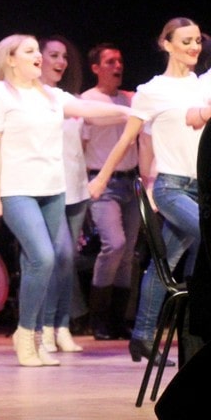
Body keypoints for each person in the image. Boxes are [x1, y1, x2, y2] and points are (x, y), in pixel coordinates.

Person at [0, 34, 139, 367]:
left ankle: (38, 335)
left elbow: (87, 109)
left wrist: (127, 112)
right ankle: (25, 334)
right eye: (29, 51)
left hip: (53, 189)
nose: (38, 56)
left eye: (38, 50)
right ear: (10, 60)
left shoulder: (50, 95)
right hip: (16, 190)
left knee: (39, 263)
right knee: (43, 257)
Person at [89, 18, 208, 365]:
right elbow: (128, 139)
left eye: (197, 40)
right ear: (166, 44)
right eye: (186, 41)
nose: (194, 47)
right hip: (172, 188)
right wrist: (101, 178)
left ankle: (142, 336)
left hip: (202, 189)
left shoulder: (203, 84)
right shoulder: (152, 90)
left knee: (163, 265)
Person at [38, 35, 95, 354]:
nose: (60, 62)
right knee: (57, 257)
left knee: (68, 260)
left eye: (64, 57)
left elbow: (80, 147)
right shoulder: (35, 100)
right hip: (49, 189)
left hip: (77, 189)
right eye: (54, 55)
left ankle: (61, 326)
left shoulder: (72, 100)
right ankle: (45, 326)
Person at [80, 42, 140, 340]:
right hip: (103, 183)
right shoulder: (87, 101)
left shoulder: (130, 99)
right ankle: (99, 318)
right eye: (110, 62)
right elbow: (80, 146)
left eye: (119, 61)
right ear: (95, 68)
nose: (118, 66)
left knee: (127, 253)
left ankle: (118, 319)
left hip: (131, 182)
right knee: (114, 245)